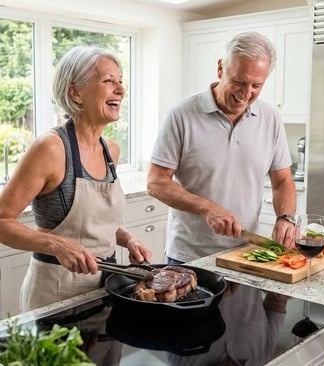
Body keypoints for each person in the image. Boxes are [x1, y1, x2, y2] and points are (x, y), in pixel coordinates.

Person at [0, 45, 151, 311]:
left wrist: (128, 239)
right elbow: (2, 220)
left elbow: (96, 224)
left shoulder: (110, 150)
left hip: (106, 287)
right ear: (75, 93)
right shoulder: (50, 148)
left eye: (120, 81)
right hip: (56, 292)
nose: (120, 89)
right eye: (108, 81)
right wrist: (57, 245)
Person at [147, 31, 296, 264]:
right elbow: (156, 182)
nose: (246, 94)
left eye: (257, 85)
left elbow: (283, 180)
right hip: (190, 257)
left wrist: (286, 217)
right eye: (239, 82)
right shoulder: (182, 114)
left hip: (246, 254)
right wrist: (207, 208)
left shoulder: (270, 117)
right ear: (220, 68)